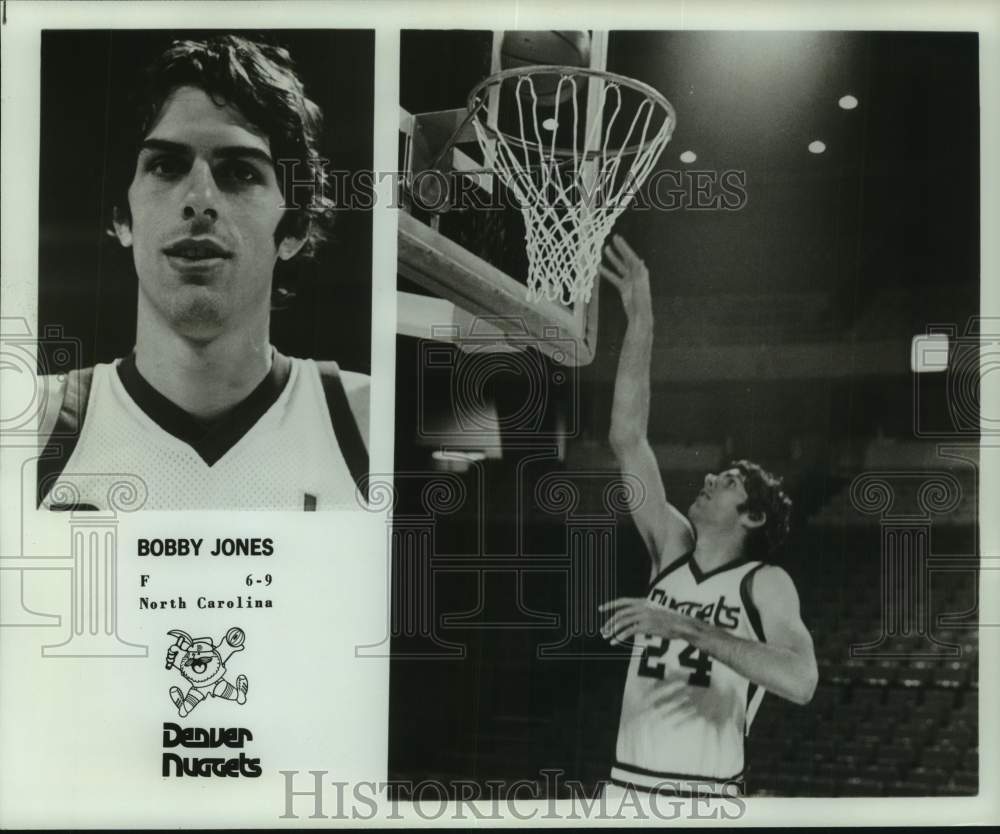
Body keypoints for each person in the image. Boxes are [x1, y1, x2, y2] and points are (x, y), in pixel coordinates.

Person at [37, 35, 369, 511]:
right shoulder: (32, 426)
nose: (199, 199)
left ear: (293, 227)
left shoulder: (365, 422)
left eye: (239, 172)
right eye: (167, 166)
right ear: (121, 217)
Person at [598, 235, 817, 797]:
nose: (708, 480)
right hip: (625, 789)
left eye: (726, 483)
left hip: (701, 797)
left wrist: (685, 627)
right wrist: (642, 319)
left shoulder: (765, 584)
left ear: (753, 518)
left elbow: (800, 680)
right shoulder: (670, 545)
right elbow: (628, 437)